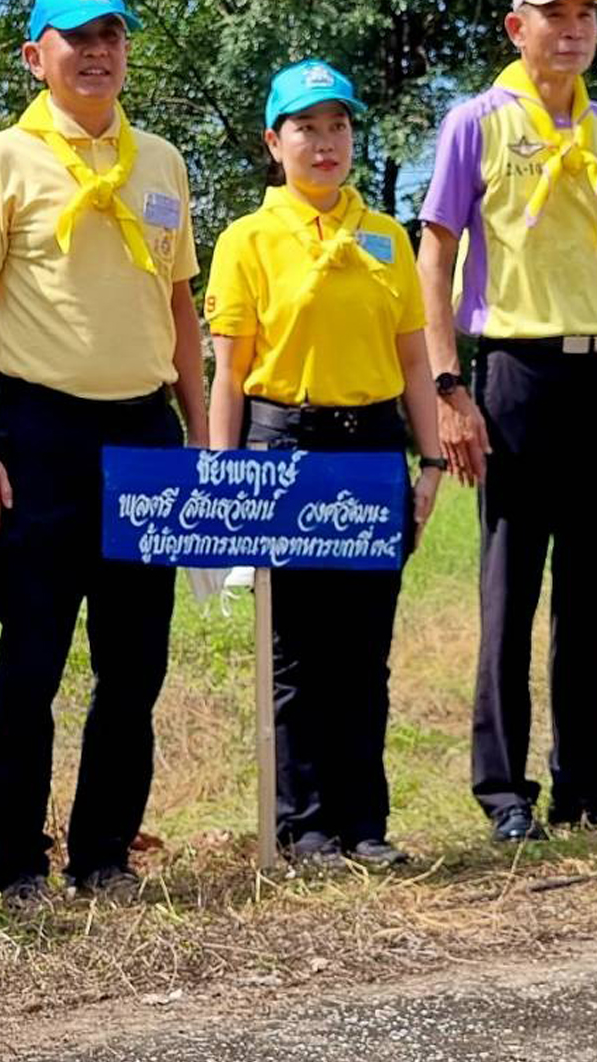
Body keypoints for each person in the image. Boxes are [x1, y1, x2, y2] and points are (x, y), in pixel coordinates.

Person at [0, 0, 207, 911]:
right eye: (75, 37)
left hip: (145, 432)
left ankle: (104, 852)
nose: (97, 52)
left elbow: (180, 302)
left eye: (111, 36)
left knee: (135, 661)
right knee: (33, 660)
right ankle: (16, 862)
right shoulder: (2, 159)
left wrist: (201, 433)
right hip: (40, 432)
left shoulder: (162, 163)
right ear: (35, 55)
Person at [415, 0, 597, 842]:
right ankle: (503, 789)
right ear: (518, 27)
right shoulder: (477, 122)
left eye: (586, 13)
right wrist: (447, 386)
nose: (574, 29)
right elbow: (435, 251)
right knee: (511, 590)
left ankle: (588, 786)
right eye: (555, 15)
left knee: (591, 591)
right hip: (514, 371)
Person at [205, 61, 446, 869]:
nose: (325, 142)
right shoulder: (247, 238)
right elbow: (229, 374)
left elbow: (414, 361)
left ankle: (363, 822)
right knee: (298, 651)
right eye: (306, 127)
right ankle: (302, 826)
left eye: (338, 126)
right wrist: (221, 473)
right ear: (275, 143)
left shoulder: (387, 235)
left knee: (363, 649)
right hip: (286, 449)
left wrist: (433, 460)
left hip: (374, 449)